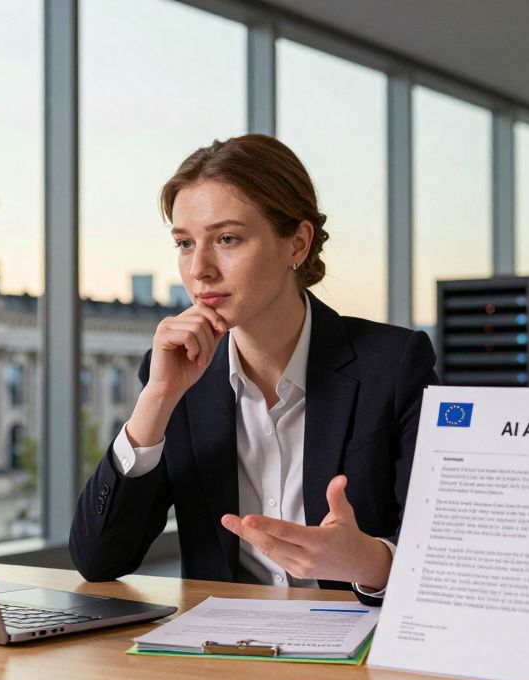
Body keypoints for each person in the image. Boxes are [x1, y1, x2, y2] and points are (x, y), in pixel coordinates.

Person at [69, 134, 438, 604]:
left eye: (227, 239)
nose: (199, 269)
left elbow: (445, 558)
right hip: (220, 644)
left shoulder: (394, 365)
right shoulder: (176, 376)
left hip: (359, 636)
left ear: (297, 244)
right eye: (184, 243)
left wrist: (371, 562)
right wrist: (157, 399)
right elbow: (98, 560)